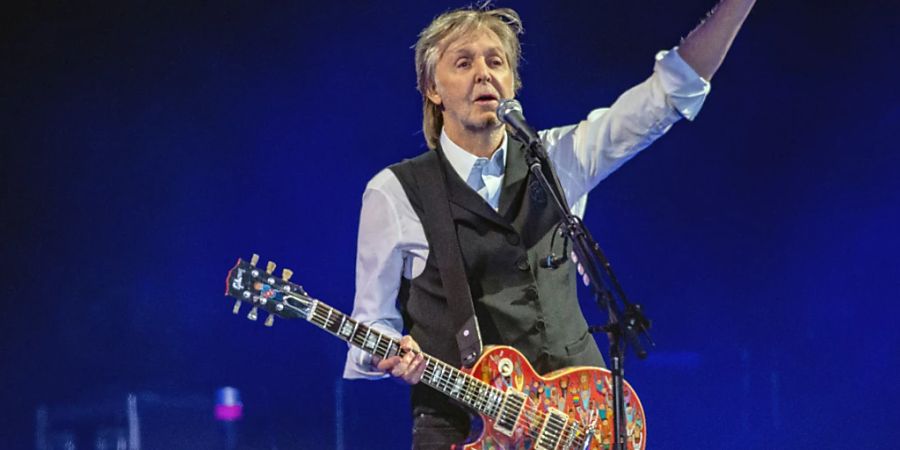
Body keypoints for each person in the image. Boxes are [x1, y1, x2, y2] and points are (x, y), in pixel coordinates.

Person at [343, 1, 756, 448]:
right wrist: (393, 353)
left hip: (579, 424)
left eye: (495, 61)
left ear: (513, 83)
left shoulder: (556, 159)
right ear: (432, 88)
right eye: (463, 62)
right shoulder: (395, 191)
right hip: (463, 430)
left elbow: (664, 99)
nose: (483, 73)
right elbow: (371, 325)